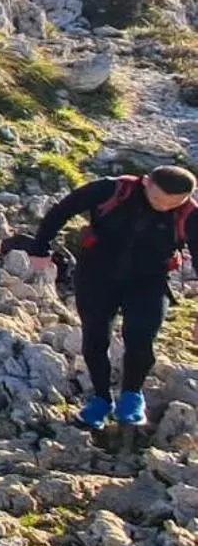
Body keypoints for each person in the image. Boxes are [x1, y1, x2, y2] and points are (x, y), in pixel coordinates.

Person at [25, 165, 198, 429]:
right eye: (157, 199)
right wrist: (40, 248)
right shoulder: (112, 190)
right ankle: (100, 399)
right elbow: (62, 210)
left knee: (141, 336)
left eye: (172, 204)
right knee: (96, 336)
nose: (162, 207)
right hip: (96, 276)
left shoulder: (190, 215)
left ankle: (132, 396)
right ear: (146, 182)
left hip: (149, 281)